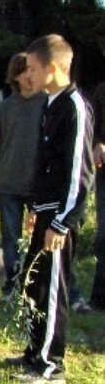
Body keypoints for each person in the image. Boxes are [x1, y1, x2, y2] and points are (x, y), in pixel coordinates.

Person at [8, 34, 92, 384]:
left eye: (31, 68)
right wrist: (35, 209)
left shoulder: (74, 107)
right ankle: (34, 351)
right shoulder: (51, 104)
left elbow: (78, 175)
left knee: (53, 290)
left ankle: (50, 365)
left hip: (60, 219)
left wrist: (60, 223)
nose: (26, 75)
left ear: (52, 68)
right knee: (35, 286)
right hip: (45, 212)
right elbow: (47, 167)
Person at [0, 53, 46, 300]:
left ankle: (37, 286)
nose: (28, 77)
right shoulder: (6, 107)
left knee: (40, 238)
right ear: (15, 77)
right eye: (23, 72)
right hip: (8, 183)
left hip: (37, 185)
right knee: (11, 239)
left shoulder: (47, 104)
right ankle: (12, 285)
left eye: (31, 71)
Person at [86, 81, 105, 312]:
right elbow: (91, 127)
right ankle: (100, 299)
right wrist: (98, 143)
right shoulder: (101, 91)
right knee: (104, 237)